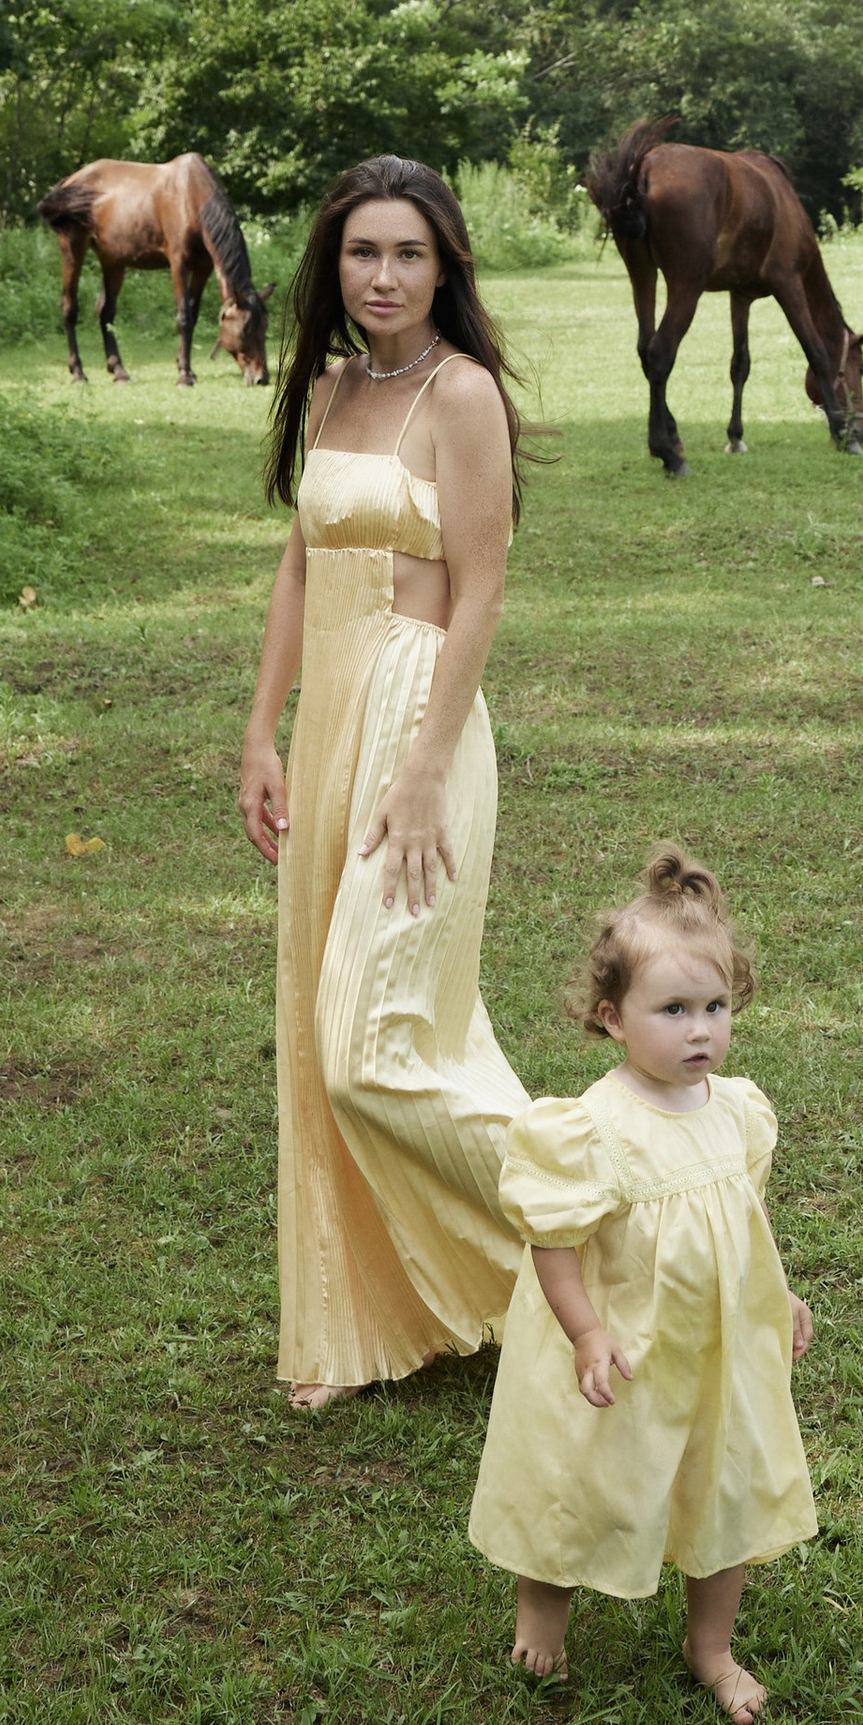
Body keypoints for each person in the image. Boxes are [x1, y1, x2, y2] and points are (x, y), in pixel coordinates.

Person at [239, 156, 532, 1413]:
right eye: (363, 253)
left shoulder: (461, 395)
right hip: (331, 729)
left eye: (409, 253)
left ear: (445, 265)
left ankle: (613, 1213)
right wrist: (261, 730)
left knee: (374, 1045)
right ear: (332, 266)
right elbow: (301, 567)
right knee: (330, 1031)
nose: (384, 277)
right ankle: (359, 1321)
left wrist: (422, 770)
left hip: (423, 725)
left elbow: (483, 590)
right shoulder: (327, 389)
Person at [467, 847, 817, 1725]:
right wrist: (586, 1332)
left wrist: (779, 1300)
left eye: (714, 1007)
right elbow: (555, 1241)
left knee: (723, 1483)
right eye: (672, 1010)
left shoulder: (737, 1111)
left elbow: (741, 1224)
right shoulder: (589, 1130)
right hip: (621, 1345)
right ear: (611, 1018)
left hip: (712, 1350)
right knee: (579, 1477)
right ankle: (542, 1612)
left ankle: (712, 1646)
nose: (699, 1029)